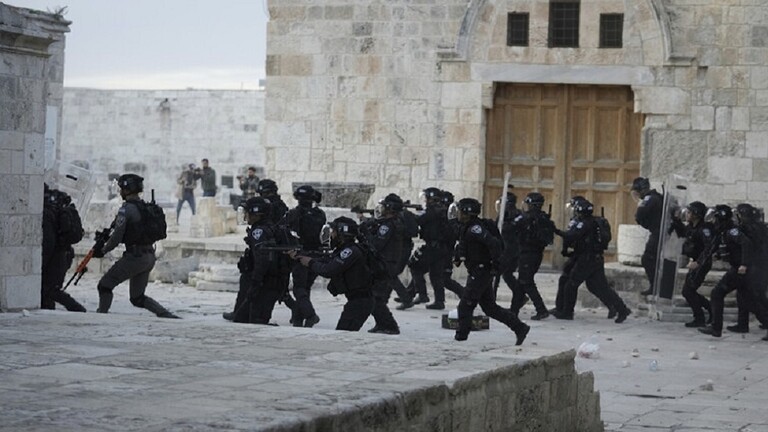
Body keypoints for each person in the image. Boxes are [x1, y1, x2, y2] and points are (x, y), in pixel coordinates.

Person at [94, 174, 180, 318]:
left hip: (135, 257)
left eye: (122, 189)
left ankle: (101, 316)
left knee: (104, 285)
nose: (120, 192)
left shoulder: (126, 210)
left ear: (127, 190)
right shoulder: (145, 207)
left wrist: (103, 250)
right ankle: (166, 315)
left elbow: (116, 237)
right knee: (137, 298)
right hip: (149, 256)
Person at [452, 198, 530, 344]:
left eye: (461, 211)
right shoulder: (467, 227)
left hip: (481, 271)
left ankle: (461, 338)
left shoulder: (476, 229)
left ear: (468, 213)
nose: (458, 214)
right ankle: (520, 327)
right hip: (479, 271)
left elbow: (493, 243)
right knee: (490, 308)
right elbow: (465, 245)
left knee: (465, 305)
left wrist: (495, 263)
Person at [550, 198, 631, 322]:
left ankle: (567, 312)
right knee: (597, 286)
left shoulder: (586, 223)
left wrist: (556, 230)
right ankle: (621, 309)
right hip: (590, 257)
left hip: (588, 259)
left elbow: (572, 235)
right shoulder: (585, 221)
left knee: (571, 284)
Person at [292, 217, 374, 331]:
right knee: (344, 333)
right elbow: (327, 260)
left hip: (360, 302)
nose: (331, 235)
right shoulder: (347, 249)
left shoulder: (350, 251)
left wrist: (310, 262)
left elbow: (328, 270)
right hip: (357, 301)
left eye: (334, 231)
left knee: (343, 334)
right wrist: (302, 257)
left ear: (342, 233)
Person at [225, 196, 286, 324]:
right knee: (247, 318)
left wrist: (255, 283)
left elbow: (262, 260)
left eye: (248, 213)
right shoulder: (269, 227)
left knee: (254, 320)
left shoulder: (259, 232)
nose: (246, 216)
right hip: (269, 281)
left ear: (257, 214)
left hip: (264, 282)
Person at [280, 185, 326, 327]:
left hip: (301, 255)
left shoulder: (294, 214)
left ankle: (310, 315)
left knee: (299, 288)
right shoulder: (320, 214)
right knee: (305, 288)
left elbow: (285, 232)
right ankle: (298, 319)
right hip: (316, 255)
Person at [360, 193, 406, 335]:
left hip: (384, 265)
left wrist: (366, 233)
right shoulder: (392, 222)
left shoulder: (388, 225)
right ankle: (382, 323)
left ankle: (390, 325)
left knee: (375, 297)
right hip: (386, 263)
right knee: (377, 297)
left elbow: (377, 244)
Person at [401, 187, 452, 310]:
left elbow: (419, 220)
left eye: (427, 198)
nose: (425, 200)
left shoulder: (433, 211)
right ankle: (439, 301)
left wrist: (406, 213)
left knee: (414, 266)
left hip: (432, 247)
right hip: (440, 247)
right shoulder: (441, 210)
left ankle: (422, 294)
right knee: (436, 275)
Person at [668, 201, 715, 328]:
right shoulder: (691, 227)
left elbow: (709, 248)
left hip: (701, 263)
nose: (687, 214)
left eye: (689, 212)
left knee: (688, 291)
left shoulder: (704, 229)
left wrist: (698, 262)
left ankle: (701, 317)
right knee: (688, 291)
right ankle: (710, 310)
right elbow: (683, 233)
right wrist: (675, 220)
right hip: (694, 262)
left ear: (696, 214)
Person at [41, 185, 86, 312]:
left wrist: (42, 262)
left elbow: (48, 242)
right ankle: (48, 314)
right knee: (48, 291)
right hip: (64, 253)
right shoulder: (57, 206)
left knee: (49, 290)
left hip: (55, 257)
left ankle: (78, 309)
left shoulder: (46, 212)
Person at [511, 192, 555, 320]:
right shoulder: (544, 218)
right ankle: (514, 310)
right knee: (521, 283)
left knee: (527, 282)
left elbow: (511, 227)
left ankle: (541, 309)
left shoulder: (526, 217)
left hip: (527, 254)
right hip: (537, 254)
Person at [630, 177, 663, 296]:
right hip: (661, 232)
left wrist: (638, 202)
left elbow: (639, 216)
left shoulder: (650, 198)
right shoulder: (657, 196)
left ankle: (655, 287)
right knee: (654, 259)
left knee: (647, 259)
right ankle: (658, 287)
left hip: (658, 233)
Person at [497, 186, 523, 312]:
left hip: (510, 250)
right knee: (507, 275)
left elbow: (506, 230)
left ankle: (492, 301)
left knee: (497, 273)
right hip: (509, 249)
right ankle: (519, 297)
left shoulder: (514, 216)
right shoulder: (506, 215)